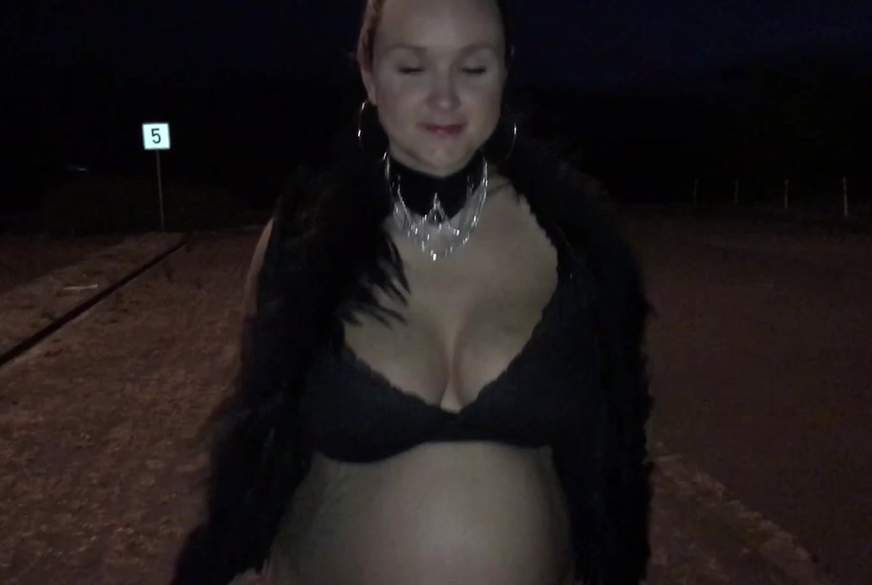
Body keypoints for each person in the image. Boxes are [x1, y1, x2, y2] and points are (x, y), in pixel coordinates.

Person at [172, 0, 652, 583]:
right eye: (412, 67)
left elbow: (617, 455)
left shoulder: (580, 243)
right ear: (370, 74)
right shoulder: (302, 242)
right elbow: (254, 447)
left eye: (473, 68)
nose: (444, 98)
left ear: (505, 70)